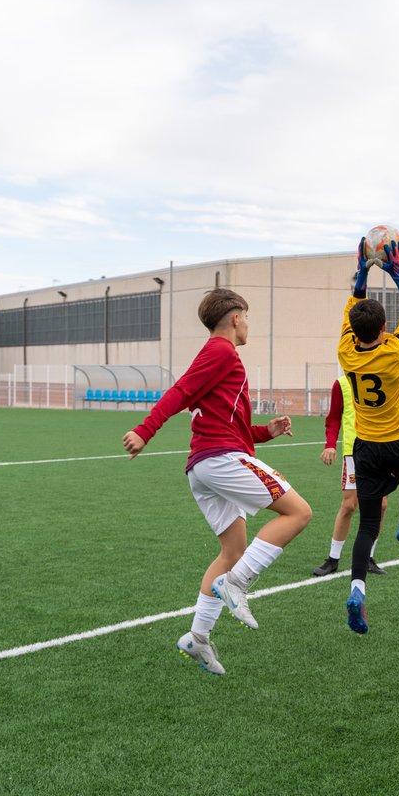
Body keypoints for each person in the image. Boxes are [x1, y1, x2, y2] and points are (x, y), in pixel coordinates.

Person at [122, 288, 312, 675]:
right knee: (299, 513)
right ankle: (237, 584)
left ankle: (198, 637)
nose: (249, 325)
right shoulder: (221, 352)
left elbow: (230, 425)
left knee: (232, 551)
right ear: (236, 318)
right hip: (220, 459)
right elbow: (181, 391)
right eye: (247, 317)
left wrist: (266, 432)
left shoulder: (220, 357)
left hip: (205, 465)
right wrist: (145, 430)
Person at [337, 235, 399, 634]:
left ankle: (357, 590)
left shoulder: (345, 352)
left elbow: (352, 312)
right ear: (385, 327)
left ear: (354, 330)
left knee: (368, 525)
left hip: (367, 448)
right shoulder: (397, 350)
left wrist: (362, 274)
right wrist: (397, 274)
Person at [313, 374, 388, 577]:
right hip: (354, 452)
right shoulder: (342, 383)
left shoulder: (381, 377)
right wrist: (330, 444)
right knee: (349, 505)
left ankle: (369, 558)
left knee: (381, 505)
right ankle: (333, 559)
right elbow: (334, 418)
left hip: (380, 451)